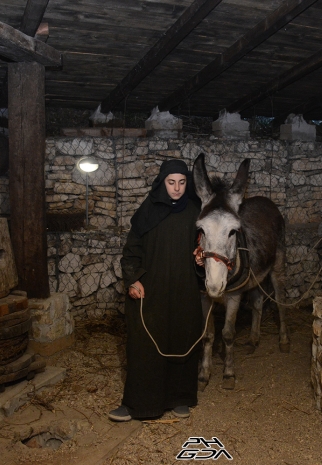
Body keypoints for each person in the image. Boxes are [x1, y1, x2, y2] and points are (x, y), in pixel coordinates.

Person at [109, 159, 204, 422]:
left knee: (182, 338)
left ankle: (180, 398)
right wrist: (133, 279)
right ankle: (137, 404)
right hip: (150, 290)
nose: (177, 188)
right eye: (171, 182)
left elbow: (203, 250)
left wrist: (201, 260)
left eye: (182, 182)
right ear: (162, 182)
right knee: (144, 346)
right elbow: (130, 252)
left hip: (183, 289)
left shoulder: (195, 212)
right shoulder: (148, 210)